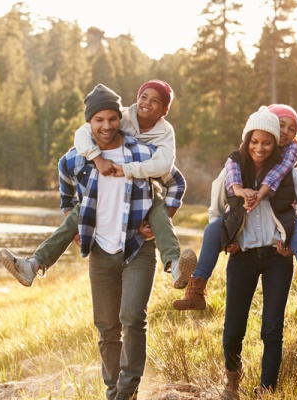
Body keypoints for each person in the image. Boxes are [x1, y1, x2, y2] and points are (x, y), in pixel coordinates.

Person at [0, 80, 196, 290]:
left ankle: (175, 266)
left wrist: (160, 217)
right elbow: (82, 134)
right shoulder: (120, 118)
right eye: (143, 97)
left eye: (155, 100)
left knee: (158, 211)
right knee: (78, 213)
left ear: (164, 110)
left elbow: (168, 168)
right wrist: (97, 158)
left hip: (145, 192)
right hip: (103, 193)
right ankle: (32, 265)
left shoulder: (164, 135)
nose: (146, 103)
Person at [57, 84, 186, 400]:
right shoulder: (79, 157)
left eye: (111, 118)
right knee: (106, 326)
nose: (106, 126)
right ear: (89, 122)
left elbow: (176, 181)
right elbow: (65, 185)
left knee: (132, 317)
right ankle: (112, 390)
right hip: (100, 248)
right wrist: (72, 223)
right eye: (98, 120)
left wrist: (160, 218)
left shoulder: (143, 152)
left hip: (137, 247)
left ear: (120, 118)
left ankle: (127, 391)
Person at [198, 107, 297, 398]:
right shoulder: (233, 170)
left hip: (277, 258)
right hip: (242, 256)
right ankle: (232, 382)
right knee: (232, 329)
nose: (261, 147)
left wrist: (292, 245)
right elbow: (215, 212)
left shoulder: (289, 174)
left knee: (272, 329)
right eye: (256, 141)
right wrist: (227, 239)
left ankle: (267, 390)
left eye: (268, 140)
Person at [172, 104, 297, 311]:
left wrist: (261, 194)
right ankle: (196, 288)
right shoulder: (236, 162)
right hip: (242, 240)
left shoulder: (289, 163)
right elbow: (218, 205)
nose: (286, 133)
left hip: (284, 223)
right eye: (281, 126)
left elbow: (282, 179)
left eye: (292, 129)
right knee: (211, 230)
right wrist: (228, 238)